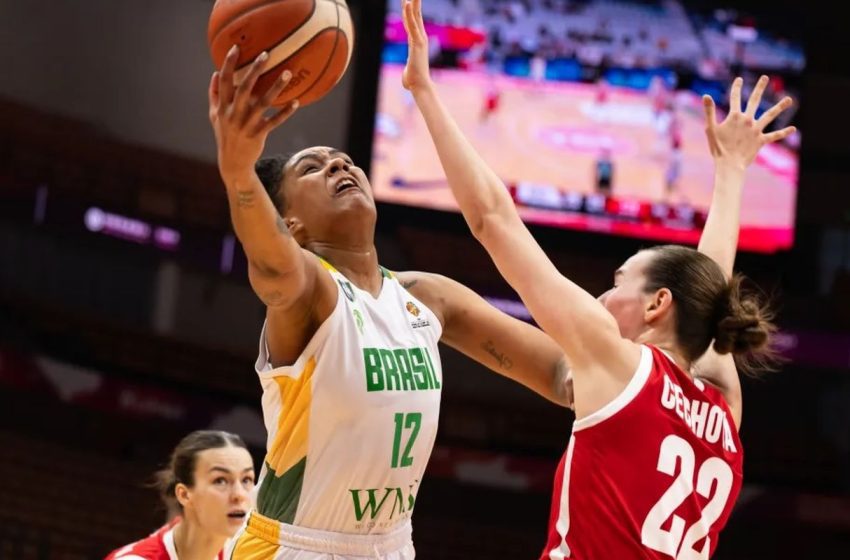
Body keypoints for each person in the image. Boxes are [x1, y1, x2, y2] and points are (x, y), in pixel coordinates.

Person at [400, 1, 796, 556]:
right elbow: (709, 288)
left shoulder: (620, 364)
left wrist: (424, 91)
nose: (603, 296)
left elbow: (493, 219)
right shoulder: (724, 410)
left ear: (657, 304)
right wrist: (731, 171)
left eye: (619, 281)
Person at [207, 42, 573, 559]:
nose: (339, 166)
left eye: (345, 161)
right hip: (295, 547)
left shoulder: (426, 296)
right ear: (290, 224)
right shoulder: (311, 292)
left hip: (392, 545)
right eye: (313, 168)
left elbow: (560, 373)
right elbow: (271, 264)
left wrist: (637, 378)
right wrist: (239, 175)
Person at [105, 430, 255, 560]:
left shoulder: (246, 552)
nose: (239, 495)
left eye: (246, 479)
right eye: (220, 480)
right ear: (184, 495)